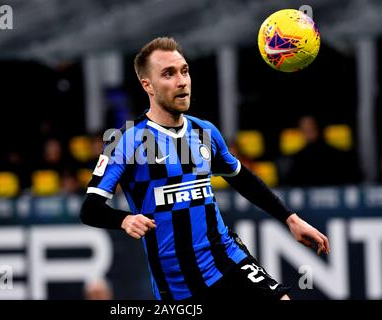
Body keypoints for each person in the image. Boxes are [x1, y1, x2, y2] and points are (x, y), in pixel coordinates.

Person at [80, 37, 330, 301]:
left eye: (184, 71)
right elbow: (91, 209)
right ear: (148, 85)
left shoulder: (204, 131)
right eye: (168, 74)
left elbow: (241, 178)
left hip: (226, 258)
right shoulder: (125, 140)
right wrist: (124, 219)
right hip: (177, 284)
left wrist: (290, 219)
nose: (181, 81)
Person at [284, 115, 361, 186]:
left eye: (311, 128)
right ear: (301, 131)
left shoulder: (335, 154)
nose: (309, 132)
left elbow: (350, 178)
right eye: (305, 130)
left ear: (318, 128)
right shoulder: (296, 158)